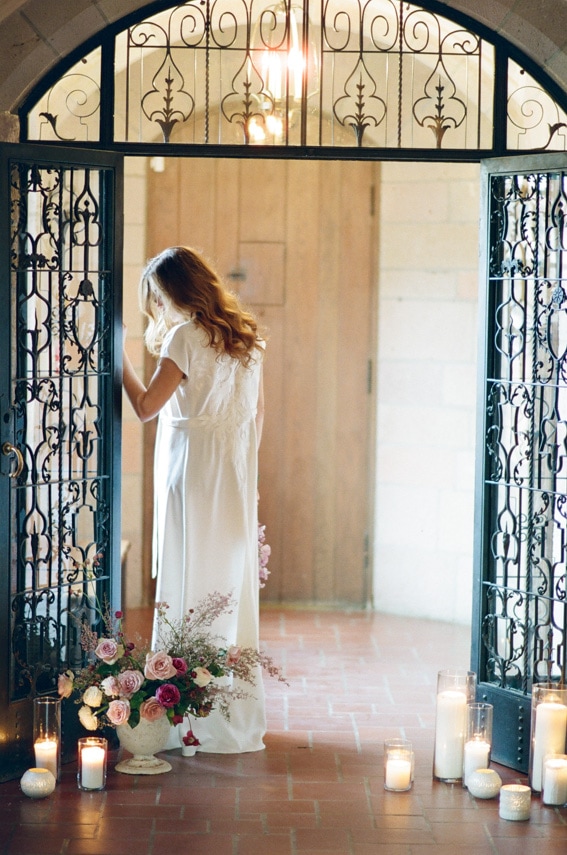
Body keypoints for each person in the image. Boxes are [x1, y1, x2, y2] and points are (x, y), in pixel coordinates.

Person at [122, 245, 267, 753]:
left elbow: (145, 407)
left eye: (157, 297)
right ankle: (228, 713)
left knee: (189, 580)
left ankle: (183, 715)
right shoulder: (244, 338)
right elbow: (256, 422)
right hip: (229, 474)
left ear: (174, 292)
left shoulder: (184, 336)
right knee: (225, 583)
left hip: (192, 472)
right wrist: (247, 487)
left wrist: (116, 357)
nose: (157, 308)